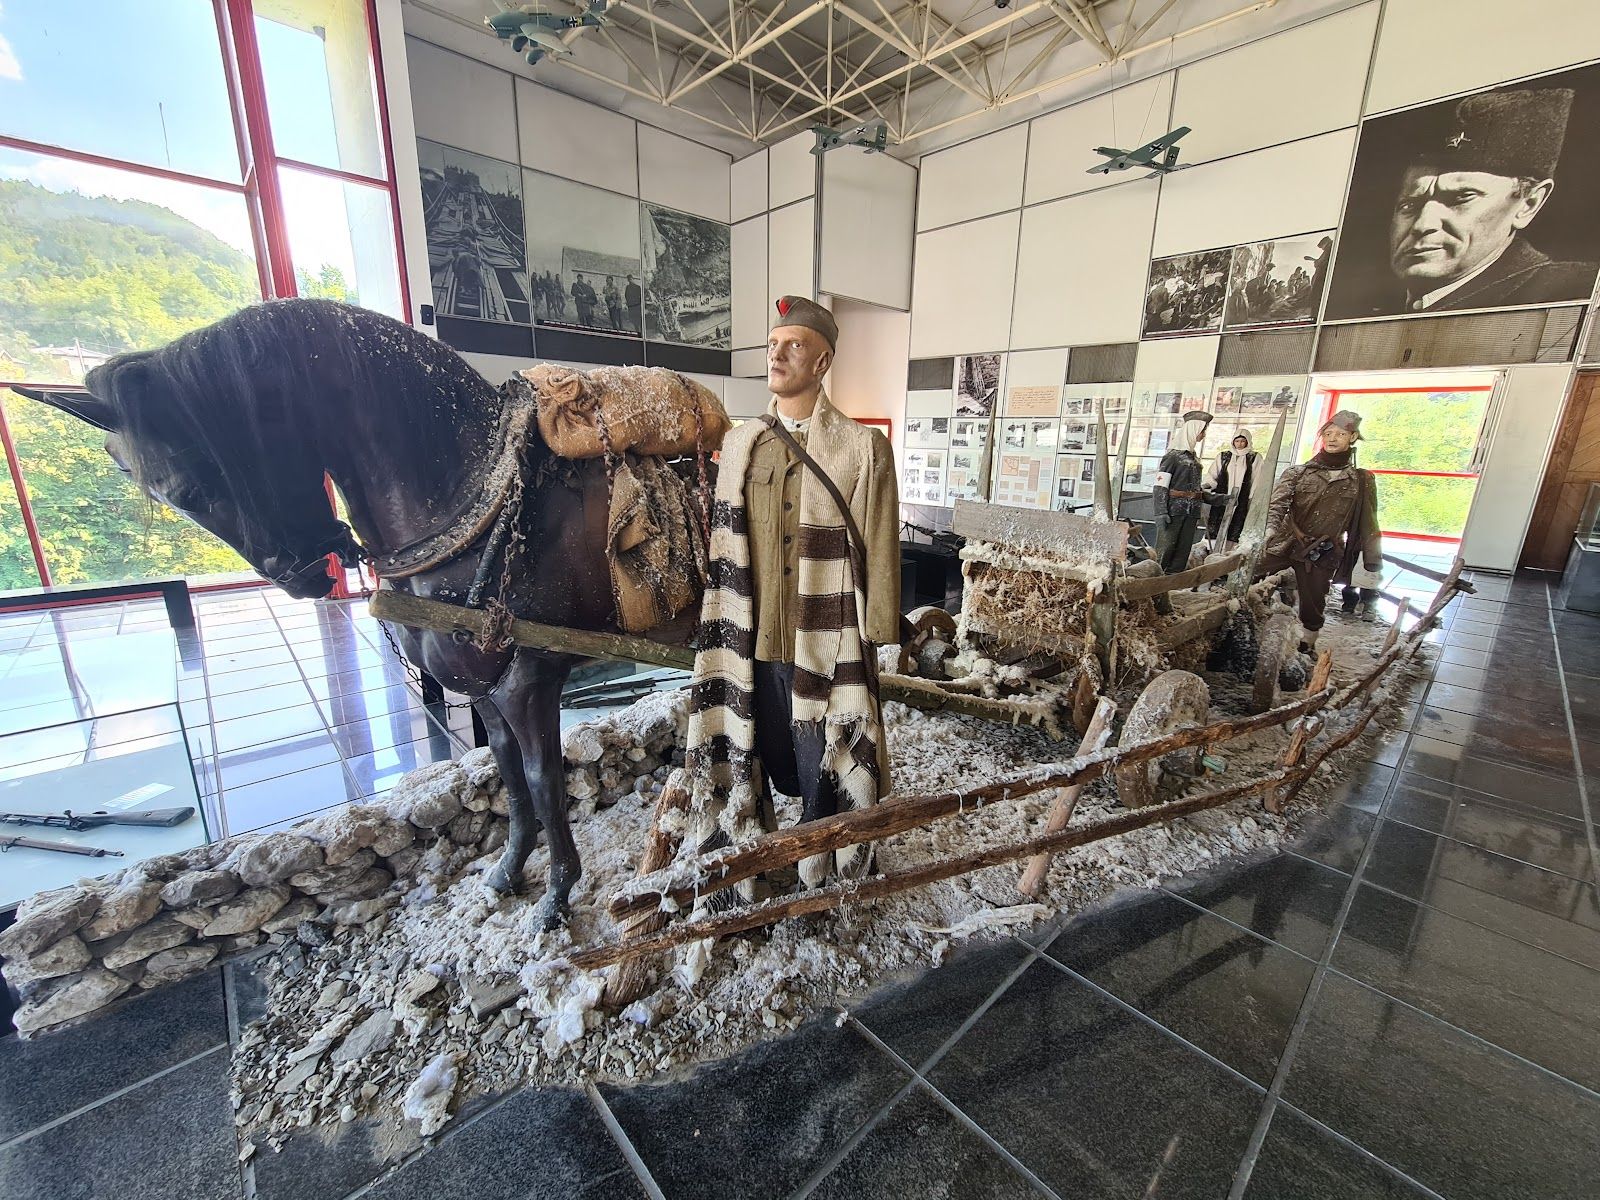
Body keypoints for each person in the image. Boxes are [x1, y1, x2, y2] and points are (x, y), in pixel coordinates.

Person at [684, 296, 900, 888]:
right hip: (750, 645)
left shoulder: (860, 449)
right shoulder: (741, 446)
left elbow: (879, 547)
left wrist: (878, 631)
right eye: (773, 343)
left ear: (823, 360)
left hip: (824, 649)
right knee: (755, 760)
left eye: (794, 345)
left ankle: (823, 875)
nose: (777, 354)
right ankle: (754, 857)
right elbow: (726, 545)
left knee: (821, 770)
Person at [1376, 88, 1596, 314]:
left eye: (1461, 198)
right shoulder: (1377, 305)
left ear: (1528, 203)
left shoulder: (1578, 295)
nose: (1423, 225)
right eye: (1409, 205)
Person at [1259, 410, 1382, 648]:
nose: (1333, 438)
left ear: (1353, 436)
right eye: (1328, 433)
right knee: (1245, 570)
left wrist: (1372, 561)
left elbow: (1370, 521)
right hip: (1285, 542)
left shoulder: (1360, 480)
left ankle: (1307, 643)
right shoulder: (1298, 473)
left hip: (1323, 550)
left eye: (1340, 433)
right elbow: (1277, 505)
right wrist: (1269, 531)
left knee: (1314, 602)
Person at [1152, 410, 1215, 572]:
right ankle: (1156, 585)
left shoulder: (1193, 458)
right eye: (1202, 431)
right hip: (1174, 511)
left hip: (1191, 512)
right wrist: (1160, 512)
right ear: (1193, 429)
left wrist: (1219, 498)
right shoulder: (1172, 457)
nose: (1203, 435)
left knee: (1182, 552)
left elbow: (1195, 488)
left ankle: (1174, 586)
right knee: (1165, 552)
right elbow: (1160, 486)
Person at [1203, 430, 1258, 551]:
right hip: (1222, 497)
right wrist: (1207, 486)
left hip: (1242, 499)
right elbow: (1213, 475)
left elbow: (1257, 478)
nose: (1240, 444)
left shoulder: (1254, 458)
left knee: (1236, 525)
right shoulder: (1223, 456)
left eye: (1243, 441)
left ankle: (1229, 552)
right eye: (1237, 441)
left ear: (1247, 442)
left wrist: (1252, 499)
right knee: (1217, 523)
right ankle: (1212, 550)